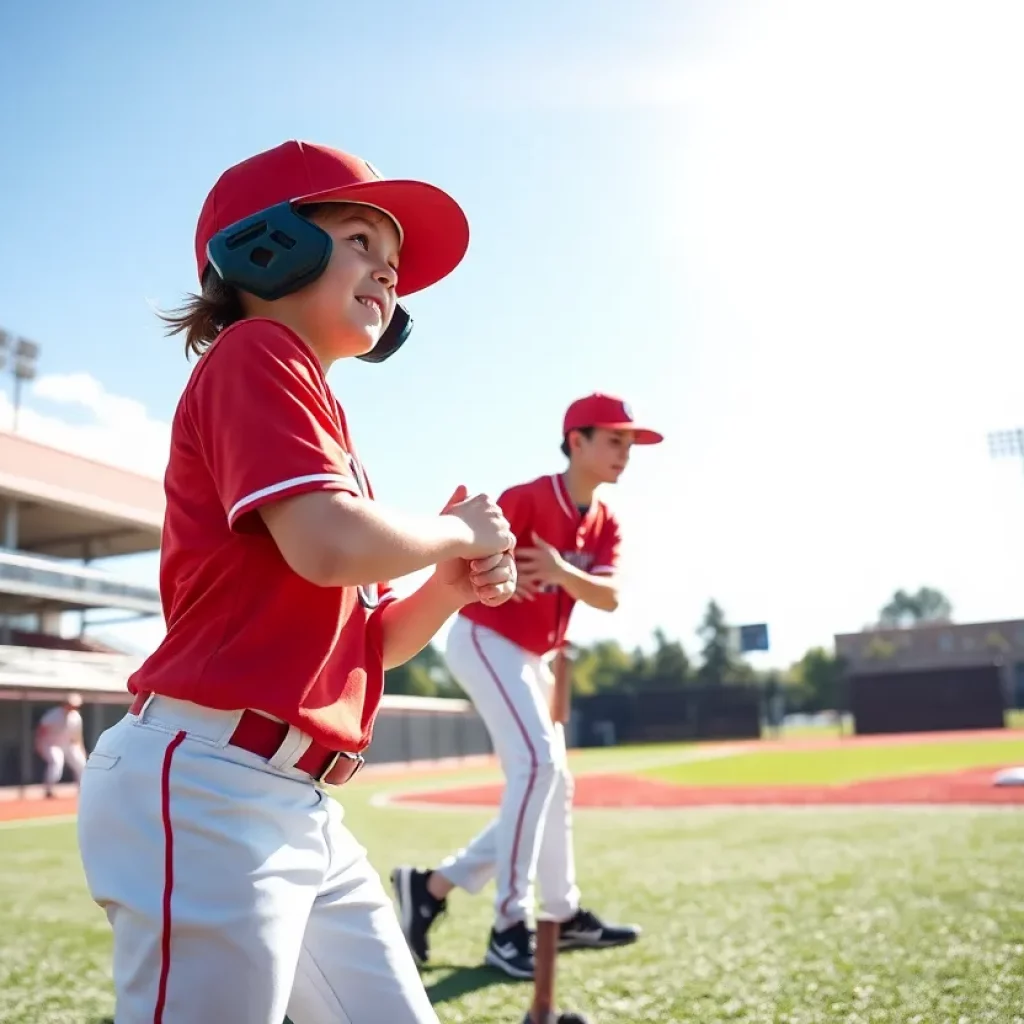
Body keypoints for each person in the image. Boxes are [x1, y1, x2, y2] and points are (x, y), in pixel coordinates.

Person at [75, 139, 517, 1024]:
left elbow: (370, 641)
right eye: (360, 239)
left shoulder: (314, 403)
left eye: (392, 266)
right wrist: (453, 533)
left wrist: (451, 584)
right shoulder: (258, 352)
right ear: (265, 247)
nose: (386, 277)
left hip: (294, 800)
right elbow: (326, 544)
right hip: (207, 783)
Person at [392, 393, 662, 979]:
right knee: (539, 769)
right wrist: (494, 573)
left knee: (552, 782)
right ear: (577, 440)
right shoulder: (530, 497)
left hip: (531, 656)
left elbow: (610, 598)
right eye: (614, 439)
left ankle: (451, 892)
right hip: (486, 639)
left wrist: (564, 572)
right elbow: (468, 551)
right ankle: (509, 925)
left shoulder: (604, 520)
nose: (625, 452)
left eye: (630, 443)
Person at [35, 692, 86, 797]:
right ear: (65, 703)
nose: (73, 707)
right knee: (57, 763)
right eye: (71, 704)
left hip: (69, 744)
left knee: (81, 764)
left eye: (76, 706)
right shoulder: (53, 715)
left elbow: (77, 736)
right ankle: (49, 790)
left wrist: (81, 749)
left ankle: (83, 789)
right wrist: (39, 745)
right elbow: (41, 730)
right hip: (52, 744)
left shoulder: (76, 717)